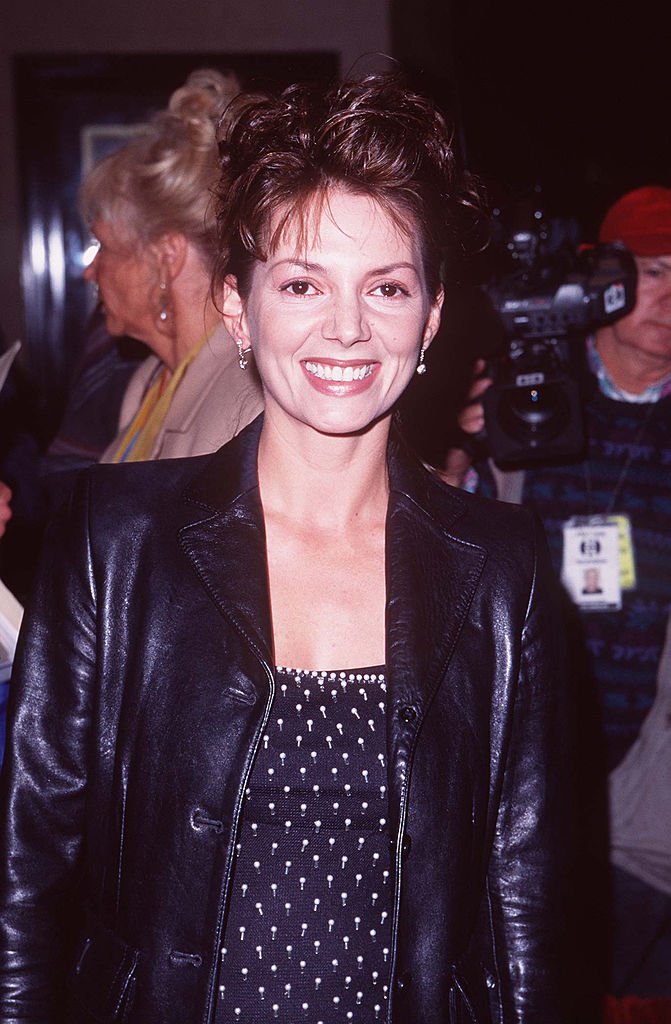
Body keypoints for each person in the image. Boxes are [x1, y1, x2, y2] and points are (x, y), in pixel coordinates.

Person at [0, 73, 570, 1023]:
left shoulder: (499, 564)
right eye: (301, 285)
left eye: (385, 287)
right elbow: (27, 873)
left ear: (429, 318)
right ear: (237, 305)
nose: (345, 328)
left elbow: (526, 905)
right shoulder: (115, 540)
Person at [446, 185, 671, 1000]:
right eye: (649, 271)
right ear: (598, 281)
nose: (667, 295)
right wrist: (453, 450)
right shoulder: (523, 385)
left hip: (650, 798)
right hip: (523, 760)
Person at [79, 66, 263, 464]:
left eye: (104, 246)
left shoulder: (250, 398)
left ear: (167, 257)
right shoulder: (148, 383)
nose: (89, 271)